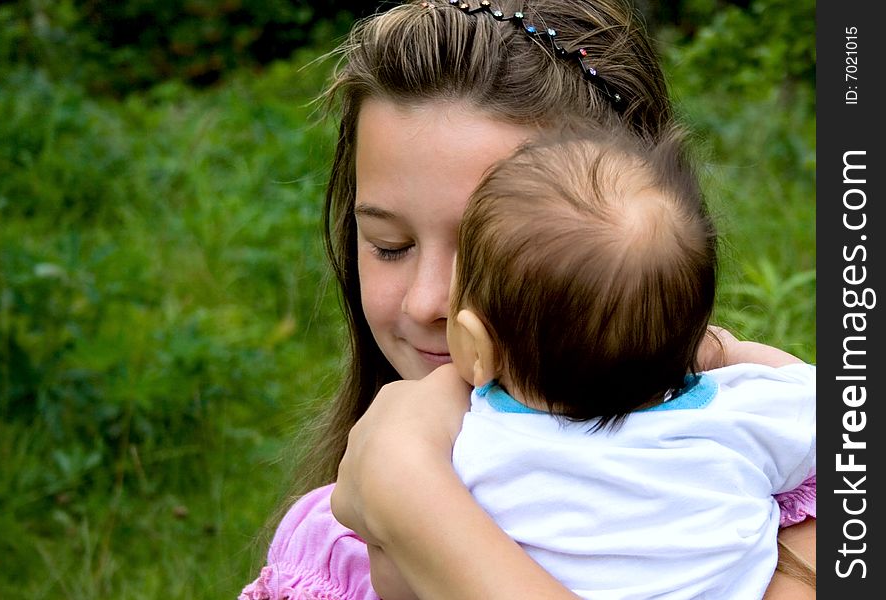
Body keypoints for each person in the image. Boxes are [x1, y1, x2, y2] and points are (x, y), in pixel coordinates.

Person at [239, 1, 816, 598]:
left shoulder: (804, 518)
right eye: (389, 245)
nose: (427, 301)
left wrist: (408, 495)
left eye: (483, 253)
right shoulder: (328, 555)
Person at [361, 130, 815, 600]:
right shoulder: (739, 419)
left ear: (476, 346)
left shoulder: (469, 452)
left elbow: (397, 575)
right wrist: (732, 351)